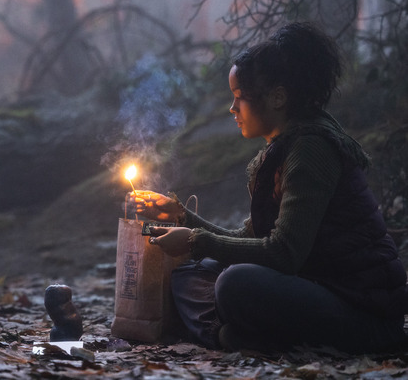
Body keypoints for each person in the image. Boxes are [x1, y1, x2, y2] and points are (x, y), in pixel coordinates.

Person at [133, 22, 408, 353]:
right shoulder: (285, 147)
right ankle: (244, 335)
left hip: (362, 313)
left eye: (239, 98)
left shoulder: (311, 149)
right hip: (316, 287)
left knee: (234, 284)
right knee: (189, 274)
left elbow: (283, 254)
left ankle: (228, 336)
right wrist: (182, 216)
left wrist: (195, 241)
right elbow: (250, 239)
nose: (233, 109)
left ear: (278, 97)